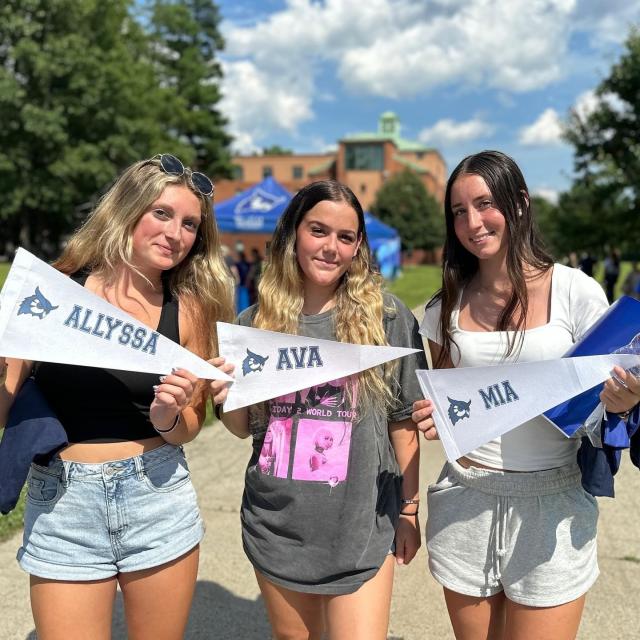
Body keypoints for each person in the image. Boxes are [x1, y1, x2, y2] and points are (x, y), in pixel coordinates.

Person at [0, 153, 234, 639]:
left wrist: (169, 415)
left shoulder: (187, 309)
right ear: (127, 211)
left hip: (157, 496)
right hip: (64, 500)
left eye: (190, 224)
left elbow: (188, 427)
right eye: (163, 214)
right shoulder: (55, 292)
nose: (176, 233)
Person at [411, 150, 640, 640]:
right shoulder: (444, 306)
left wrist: (622, 404)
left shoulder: (576, 292)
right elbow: (451, 404)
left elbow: (599, 411)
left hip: (551, 504)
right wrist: (435, 420)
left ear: (519, 204)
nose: (472, 222)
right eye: (458, 211)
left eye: (485, 204)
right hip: (466, 500)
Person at [210, 180, 427, 640]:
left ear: (358, 247)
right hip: (278, 525)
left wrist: (409, 510)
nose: (331, 247)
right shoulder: (253, 325)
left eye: (345, 237)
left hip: (362, 524)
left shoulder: (387, 318)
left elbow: (403, 422)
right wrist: (225, 393)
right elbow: (241, 427)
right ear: (293, 234)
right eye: (318, 231)